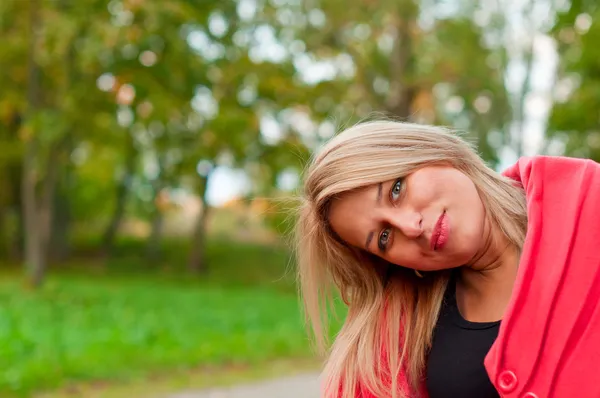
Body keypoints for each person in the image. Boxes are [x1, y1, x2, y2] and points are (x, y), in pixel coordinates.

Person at [295, 120, 600, 398]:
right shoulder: (399, 341)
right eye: (384, 237)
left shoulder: (589, 204)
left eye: (396, 190)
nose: (410, 227)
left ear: (433, 152)